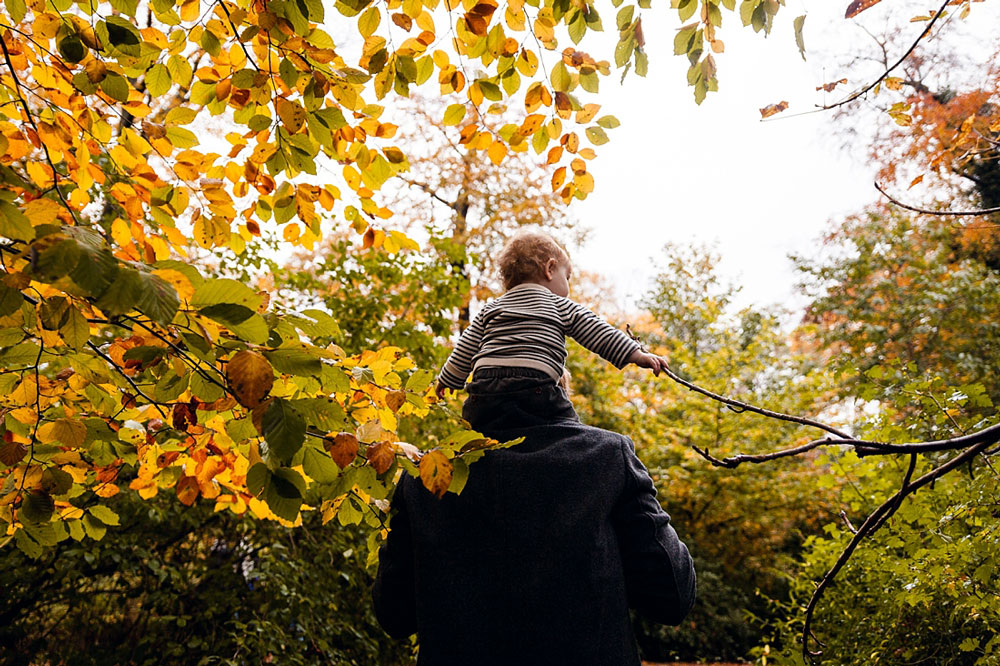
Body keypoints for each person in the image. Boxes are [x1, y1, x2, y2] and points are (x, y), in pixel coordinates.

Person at [371, 379, 697, 665]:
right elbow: (671, 598)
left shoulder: (426, 475)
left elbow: (394, 616)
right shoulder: (606, 457)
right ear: (560, 386)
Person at [435, 230, 669, 431]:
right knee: (572, 434)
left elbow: (465, 348)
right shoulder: (558, 304)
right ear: (550, 269)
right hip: (535, 387)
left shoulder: (491, 308)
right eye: (566, 277)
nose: (568, 287)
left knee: (478, 428)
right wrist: (637, 355)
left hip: (484, 392)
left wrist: (447, 379)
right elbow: (598, 331)